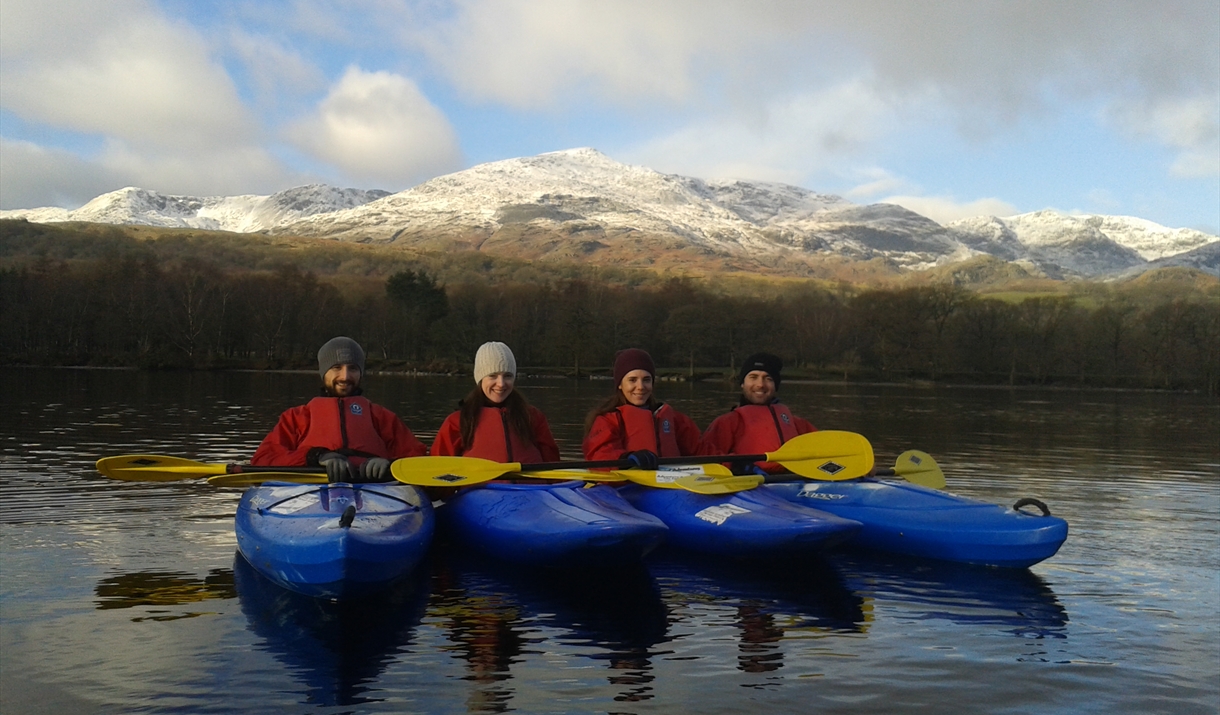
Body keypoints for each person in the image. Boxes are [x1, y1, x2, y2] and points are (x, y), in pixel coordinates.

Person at [250, 336, 427, 481]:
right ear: (323, 372)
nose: (345, 376)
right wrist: (315, 457)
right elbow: (262, 460)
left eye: (352, 369)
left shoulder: (383, 417)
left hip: (375, 494)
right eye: (336, 368)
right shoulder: (296, 417)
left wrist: (392, 464)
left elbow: (419, 461)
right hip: (309, 494)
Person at [431, 341, 560, 463]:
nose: (501, 384)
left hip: (530, 487)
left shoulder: (533, 417)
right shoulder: (457, 422)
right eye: (493, 376)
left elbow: (553, 463)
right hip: (479, 486)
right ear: (481, 379)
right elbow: (437, 469)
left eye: (508, 376)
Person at [697, 352, 816, 474]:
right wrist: (735, 467)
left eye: (768, 379)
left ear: (776, 386)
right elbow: (704, 458)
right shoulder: (727, 423)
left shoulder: (797, 423)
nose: (760, 385)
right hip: (748, 486)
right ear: (742, 383)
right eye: (753, 377)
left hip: (793, 484)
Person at [582, 348, 700, 468]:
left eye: (646, 380)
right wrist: (626, 458)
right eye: (632, 380)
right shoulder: (607, 421)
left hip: (671, 483)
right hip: (626, 485)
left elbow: (701, 449)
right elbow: (600, 454)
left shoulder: (677, 420)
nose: (640, 387)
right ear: (620, 384)